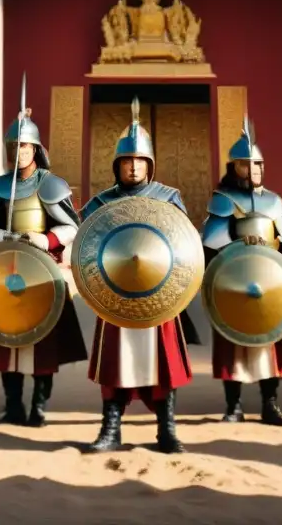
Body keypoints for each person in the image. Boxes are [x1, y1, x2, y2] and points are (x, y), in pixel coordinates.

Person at [80, 99, 194, 454]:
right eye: (127, 161)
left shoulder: (168, 199)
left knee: (163, 362)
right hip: (115, 294)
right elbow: (86, 247)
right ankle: (111, 429)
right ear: (117, 165)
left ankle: (167, 429)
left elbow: (184, 246)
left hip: (160, 294)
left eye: (139, 161)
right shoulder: (101, 203)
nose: (133, 167)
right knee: (115, 363)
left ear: (150, 165)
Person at [0, 108, 87, 427]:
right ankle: (13, 407)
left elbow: (72, 227)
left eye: (25, 146)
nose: (20, 151)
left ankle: (38, 407)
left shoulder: (51, 185)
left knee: (43, 348)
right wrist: (0, 235)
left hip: (42, 271)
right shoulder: (0, 186)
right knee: (7, 342)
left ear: (36, 148)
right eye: (15, 146)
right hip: (8, 268)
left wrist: (45, 238)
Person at [201, 121, 282, 426]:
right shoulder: (223, 198)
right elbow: (213, 238)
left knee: (270, 344)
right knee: (234, 345)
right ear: (234, 167)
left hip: (269, 279)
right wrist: (240, 242)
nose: (252, 170)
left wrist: (278, 258)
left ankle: (270, 404)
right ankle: (234, 406)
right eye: (245, 164)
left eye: (257, 164)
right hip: (235, 277)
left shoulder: (274, 200)